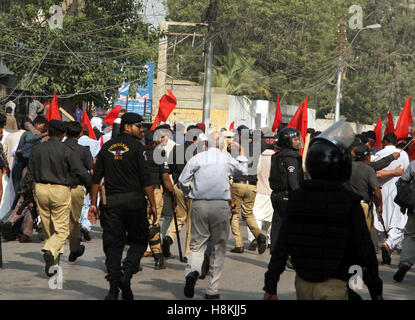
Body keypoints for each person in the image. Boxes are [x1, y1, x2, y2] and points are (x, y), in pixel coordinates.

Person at [263, 121, 383, 300]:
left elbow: (282, 244)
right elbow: (364, 249)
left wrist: (271, 286)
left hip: (303, 284)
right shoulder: (349, 202)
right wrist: (375, 290)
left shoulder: (298, 198)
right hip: (334, 284)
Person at [88, 112, 157, 300]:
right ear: (127, 126)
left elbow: (96, 178)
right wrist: (153, 204)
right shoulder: (138, 148)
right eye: (139, 126)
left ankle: (112, 290)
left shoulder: (107, 147)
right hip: (134, 203)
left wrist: (93, 204)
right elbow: (146, 180)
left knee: (113, 245)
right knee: (139, 241)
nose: (141, 130)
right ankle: (126, 274)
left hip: (111, 204)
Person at [178, 131, 248, 300]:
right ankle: (212, 290)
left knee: (197, 244)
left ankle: (192, 272)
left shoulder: (197, 159)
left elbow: (182, 181)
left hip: (199, 204)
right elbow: (244, 173)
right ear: (223, 144)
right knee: (218, 247)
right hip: (220, 205)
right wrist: (242, 154)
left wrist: (190, 192)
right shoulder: (226, 159)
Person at [28, 120, 92, 277]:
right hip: (61, 190)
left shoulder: (37, 149)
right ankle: (50, 250)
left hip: (40, 189)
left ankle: (53, 265)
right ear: (63, 134)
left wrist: (29, 195)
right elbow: (80, 171)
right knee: (62, 229)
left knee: (48, 226)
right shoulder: (67, 150)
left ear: (48, 131)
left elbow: (30, 173)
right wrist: (91, 187)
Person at [163, 125, 202, 260]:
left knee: (180, 217)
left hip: (178, 185)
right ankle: (187, 253)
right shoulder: (199, 151)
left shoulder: (176, 149)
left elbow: (170, 168)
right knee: (191, 221)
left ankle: (169, 237)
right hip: (192, 186)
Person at [229, 125, 266, 254]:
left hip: (238, 184)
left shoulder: (236, 149)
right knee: (248, 214)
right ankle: (259, 235)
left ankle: (239, 244)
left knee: (234, 214)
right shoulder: (257, 149)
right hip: (252, 185)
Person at [373, 132, 409, 265]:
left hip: (380, 192)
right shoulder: (403, 154)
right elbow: (406, 173)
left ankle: (386, 245)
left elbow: (374, 171)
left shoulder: (378, 154)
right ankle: (388, 244)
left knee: (382, 221)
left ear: (383, 141)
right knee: (398, 222)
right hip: (397, 192)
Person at [143, 129, 177, 269]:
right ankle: (158, 256)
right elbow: (165, 177)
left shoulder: (140, 152)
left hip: (139, 191)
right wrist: (172, 194)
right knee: (153, 223)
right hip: (155, 191)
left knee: (141, 222)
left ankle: (139, 251)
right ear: (156, 141)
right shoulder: (159, 153)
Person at [63, 122, 93, 263]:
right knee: (74, 220)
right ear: (80, 134)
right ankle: (74, 248)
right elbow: (91, 170)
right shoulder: (83, 150)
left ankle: (54, 248)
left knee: (58, 219)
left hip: (58, 188)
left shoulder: (59, 148)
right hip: (76, 188)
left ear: (65, 133)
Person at [269, 127, 304, 248]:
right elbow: (292, 180)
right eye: (295, 140)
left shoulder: (278, 156)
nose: (298, 142)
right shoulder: (291, 158)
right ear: (287, 141)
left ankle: (275, 250)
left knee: (277, 225)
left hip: (276, 195)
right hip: (287, 196)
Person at [347, 144, 382, 232]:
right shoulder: (369, 170)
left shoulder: (348, 167)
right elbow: (376, 189)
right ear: (367, 157)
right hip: (363, 206)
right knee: (363, 233)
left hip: (348, 205)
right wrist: (380, 205)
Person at [393, 160, 415, 282]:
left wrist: (403, 204)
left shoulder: (413, 164)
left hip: (413, 208)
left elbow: (403, 183)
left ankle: (405, 263)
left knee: (410, 236)